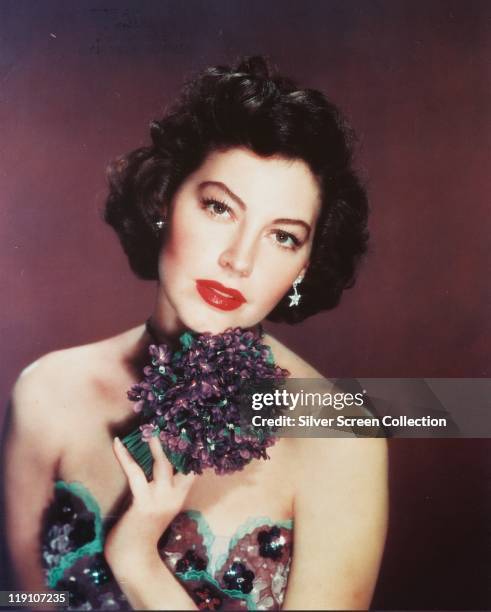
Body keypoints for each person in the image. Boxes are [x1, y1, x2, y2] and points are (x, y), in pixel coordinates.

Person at [1, 56, 388, 610]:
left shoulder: (341, 436)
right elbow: (18, 601)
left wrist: (137, 559)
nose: (239, 260)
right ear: (163, 200)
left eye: (282, 237)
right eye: (219, 208)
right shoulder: (47, 395)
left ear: (305, 265)